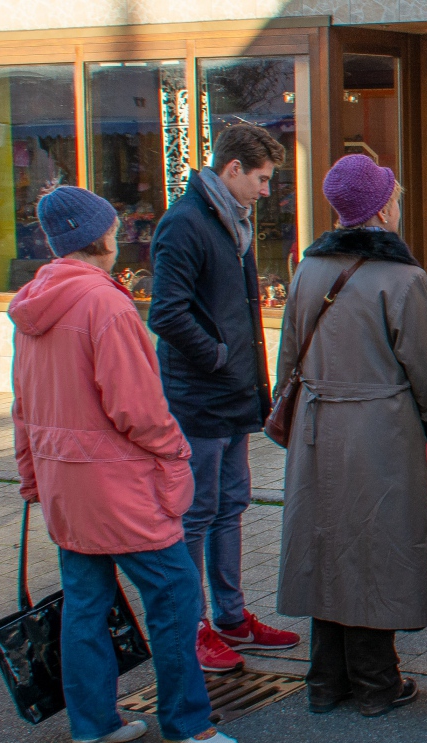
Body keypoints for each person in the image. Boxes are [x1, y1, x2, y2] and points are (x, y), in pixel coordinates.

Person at [11, 186, 236, 743]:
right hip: (118, 481)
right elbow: (136, 407)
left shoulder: (34, 303)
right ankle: (186, 722)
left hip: (66, 481)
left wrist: (32, 477)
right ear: (105, 236)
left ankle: (92, 723)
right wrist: (176, 452)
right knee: (176, 592)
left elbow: (23, 404)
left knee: (86, 603)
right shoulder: (105, 305)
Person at [276, 154, 427, 718]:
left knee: (325, 542)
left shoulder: (308, 268)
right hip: (377, 426)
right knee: (374, 548)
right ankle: (376, 682)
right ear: (381, 208)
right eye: (395, 198)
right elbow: (426, 366)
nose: (399, 206)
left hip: (316, 422)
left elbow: (286, 354)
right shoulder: (401, 277)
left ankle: (326, 680)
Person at [149, 124, 300, 672]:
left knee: (231, 506)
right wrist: (215, 355)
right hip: (200, 400)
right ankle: (194, 627)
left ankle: (232, 618)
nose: (266, 191)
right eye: (261, 179)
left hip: (234, 396)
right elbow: (165, 312)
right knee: (195, 514)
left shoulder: (232, 221)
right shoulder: (186, 223)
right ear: (232, 169)